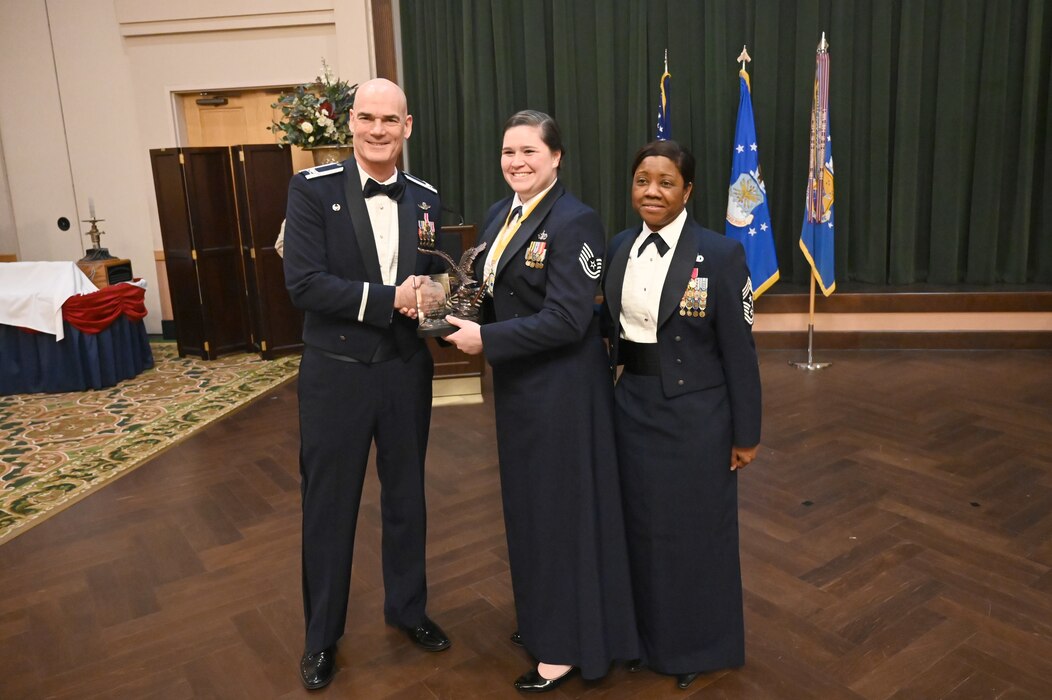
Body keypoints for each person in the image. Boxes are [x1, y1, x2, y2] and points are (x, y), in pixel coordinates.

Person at [445, 110, 638, 692]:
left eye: (529, 151)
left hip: (563, 393)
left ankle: (567, 647)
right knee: (529, 511)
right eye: (508, 151)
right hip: (520, 390)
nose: (516, 162)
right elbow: (489, 290)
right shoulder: (500, 213)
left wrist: (487, 339)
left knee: (560, 517)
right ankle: (543, 621)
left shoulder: (576, 221)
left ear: (556, 158)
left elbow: (569, 318)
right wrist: (443, 308)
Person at [282, 78, 451, 691]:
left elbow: (431, 274)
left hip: (407, 372)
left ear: (408, 127)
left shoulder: (427, 199)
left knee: (408, 501)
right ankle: (321, 637)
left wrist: (435, 293)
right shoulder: (311, 190)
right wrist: (390, 299)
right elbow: (303, 284)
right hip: (337, 376)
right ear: (350, 123)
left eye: (391, 120)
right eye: (367, 118)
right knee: (330, 509)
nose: (378, 130)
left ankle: (408, 610)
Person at [601, 140, 762, 690]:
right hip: (632, 405)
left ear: (688, 191)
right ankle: (646, 640)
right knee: (642, 530)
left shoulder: (719, 254)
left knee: (696, 534)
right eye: (642, 179)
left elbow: (740, 351)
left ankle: (699, 645)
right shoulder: (618, 247)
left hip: (697, 417)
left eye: (666, 181)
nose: (652, 191)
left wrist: (747, 433)